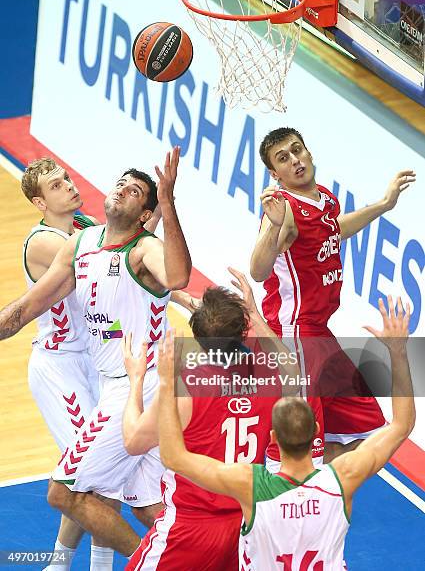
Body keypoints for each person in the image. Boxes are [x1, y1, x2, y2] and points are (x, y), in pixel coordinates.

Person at [0, 146, 191, 557]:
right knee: (149, 503)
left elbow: (177, 275)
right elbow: (24, 310)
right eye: (121, 182)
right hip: (111, 382)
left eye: (136, 190)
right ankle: (204, 560)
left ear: (145, 215)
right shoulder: (81, 243)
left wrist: (169, 203)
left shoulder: (144, 250)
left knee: (65, 493)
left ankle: (150, 564)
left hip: (138, 386)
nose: (123, 188)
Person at [157, 295, 415, 570]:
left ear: (273, 439)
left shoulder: (251, 486)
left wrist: (166, 382)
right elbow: (402, 424)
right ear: (316, 431)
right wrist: (397, 351)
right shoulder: (342, 479)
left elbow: (174, 457)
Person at [250, 127, 415, 465]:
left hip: (319, 332)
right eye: (283, 158)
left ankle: (322, 488)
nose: (295, 160)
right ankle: (281, 509)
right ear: (274, 173)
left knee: (369, 431)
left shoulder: (324, 197)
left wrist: (384, 204)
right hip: (295, 335)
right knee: (294, 453)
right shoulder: (284, 211)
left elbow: (334, 230)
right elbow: (258, 269)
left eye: (297, 150)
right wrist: (274, 226)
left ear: (308, 151)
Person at [123, 269, 298, 570]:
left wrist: (136, 380)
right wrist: (255, 315)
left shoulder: (186, 387)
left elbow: (133, 440)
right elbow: (293, 370)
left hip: (192, 525)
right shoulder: (271, 375)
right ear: (243, 331)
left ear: (199, 339)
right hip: (246, 525)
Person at [21, 158, 108, 570]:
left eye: (68, 179)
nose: (69, 186)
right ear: (40, 202)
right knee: (93, 467)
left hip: (94, 364)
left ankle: (67, 565)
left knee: (105, 471)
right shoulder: (43, 242)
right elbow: (112, 263)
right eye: (56, 186)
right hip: (59, 368)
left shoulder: (86, 224)